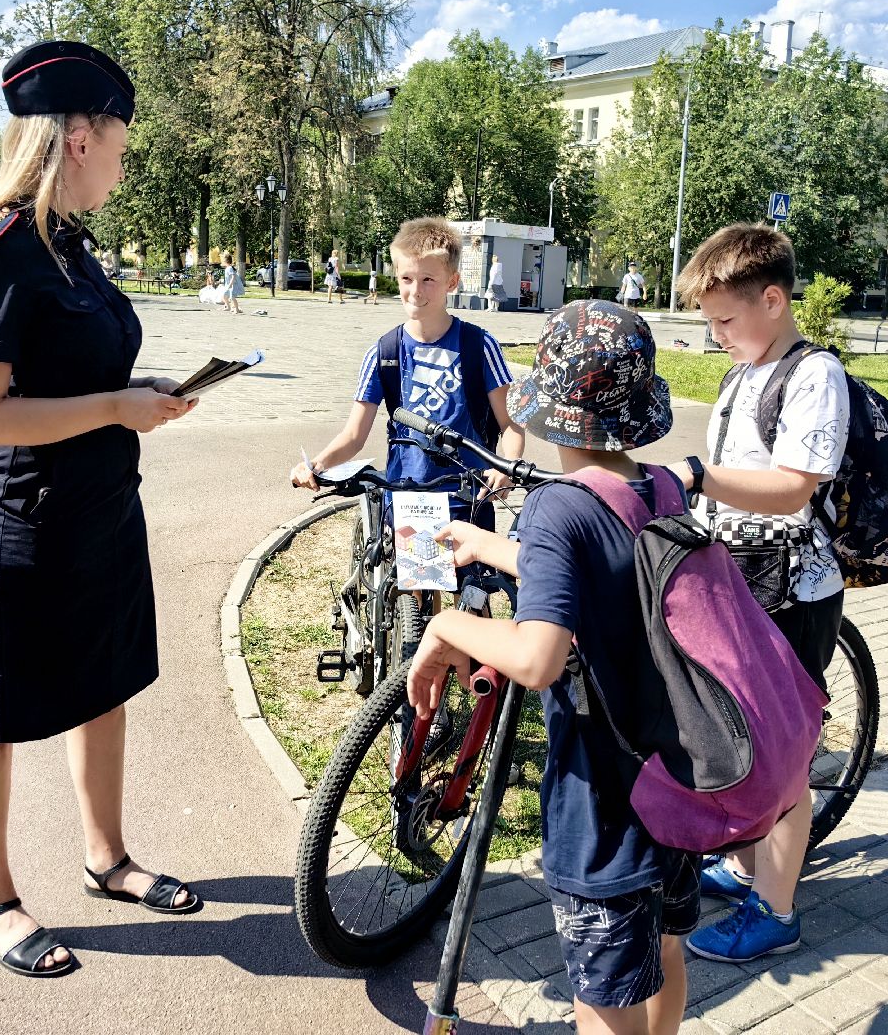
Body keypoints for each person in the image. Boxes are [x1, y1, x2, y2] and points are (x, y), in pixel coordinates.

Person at [0, 40, 201, 981]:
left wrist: (141, 391)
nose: (126, 164)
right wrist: (113, 408)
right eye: (123, 143)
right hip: (25, 522)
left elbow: (77, 372)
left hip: (100, 511)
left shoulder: (68, 247)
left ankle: (107, 858)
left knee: (105, 685)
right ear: (81, 134)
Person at [408, 300, 698, 1033]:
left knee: (604, 1000)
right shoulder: (661, 489)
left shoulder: (556, 508)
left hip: (604, 803)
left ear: (550, 409)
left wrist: (449, 624)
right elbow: (612, 573)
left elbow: (540, 658)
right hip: (680, 781)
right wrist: (495, 548)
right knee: (666, 953)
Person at [659, 223, 848, 965]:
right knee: (729, 729)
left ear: (774, 299)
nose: (717, 337)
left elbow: (793, 488)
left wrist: (697, 478)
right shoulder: (745, 371)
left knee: (782, 757)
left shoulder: (813, 375)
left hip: (792, 591)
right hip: (739, 579)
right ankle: (748, 867)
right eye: (709, 324)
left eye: (725, 321)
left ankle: (777, 910)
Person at [289, 217, 524, 535]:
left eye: (428, 279)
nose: (415, 291)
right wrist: (315, 465)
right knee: (417, 582)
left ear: (451, 282)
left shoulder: (479, 346)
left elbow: (510, 424)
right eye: (406, 278)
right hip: (407, 498)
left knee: (470, 586)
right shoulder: (384, 352)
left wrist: (506, 466)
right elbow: (354, 436)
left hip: (468, 497)